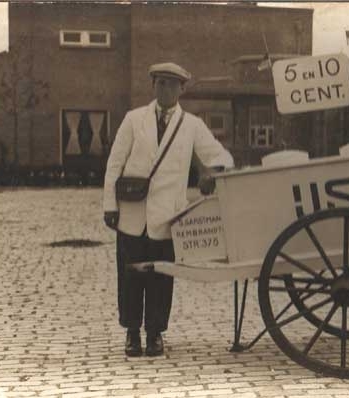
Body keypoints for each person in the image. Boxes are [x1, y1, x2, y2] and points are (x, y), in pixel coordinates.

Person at [102, 62, 234, 357]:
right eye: (161, 83)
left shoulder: (192, 126)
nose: (166, 89)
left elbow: (220, 156)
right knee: (131, 276)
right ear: (153, 86)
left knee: (161, 279)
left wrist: (211, 173)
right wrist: (110, 205)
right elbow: (114, 163)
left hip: (167, 216)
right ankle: (132, 333)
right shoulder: (134, 120)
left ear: (182, 89)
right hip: (132, 213)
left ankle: (155, 335)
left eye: (172, 84)